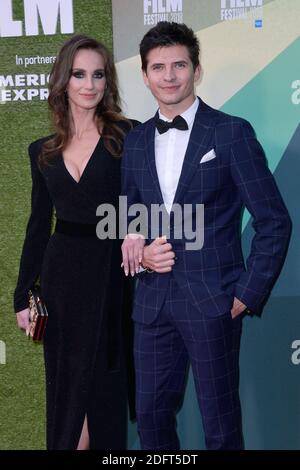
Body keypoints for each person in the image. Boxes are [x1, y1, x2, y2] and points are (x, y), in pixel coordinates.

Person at [121, 22, 292, 450]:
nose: (169, 75)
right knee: (151, 419)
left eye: (179, 64)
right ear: (145, 75)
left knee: (220, 422)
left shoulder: (230, 133)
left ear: (196, 70)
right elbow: (128, 218)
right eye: (158, 67)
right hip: (152, 301)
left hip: (213, 298)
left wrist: (248, 292)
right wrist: (139, 251)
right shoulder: (136, 140)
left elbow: (274, 220)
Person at [14, 35, 138, 450]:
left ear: (108, 81)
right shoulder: (42, 151)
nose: (89, 84)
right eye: (79, 74)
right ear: (63, 81)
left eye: (98, 74)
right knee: (68, 393)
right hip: (62, 279)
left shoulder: (128, 137)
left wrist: (136, 233)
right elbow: (37, 225)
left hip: (112, 275)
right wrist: (22, 297)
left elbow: (147, 204)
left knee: (103, 385)